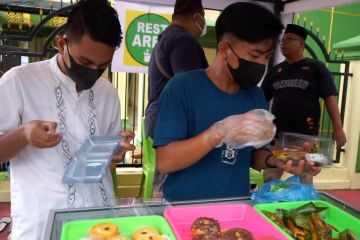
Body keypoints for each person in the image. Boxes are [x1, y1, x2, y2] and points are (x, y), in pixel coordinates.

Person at [153, 2, 320, 201]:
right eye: (254, 55)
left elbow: (254, 154)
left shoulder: (255, 96)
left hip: (236, 209)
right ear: (224, 49)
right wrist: (219, 132)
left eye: (266, 57)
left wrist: (278, 160)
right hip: (184, 209)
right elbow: (165, 161)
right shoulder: (182, 88)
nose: (261, 64)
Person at [0, 1, 135, 239]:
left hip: (99, 224)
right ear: (61, 44)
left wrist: (114, 154)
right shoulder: (19, 82)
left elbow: (107, 164)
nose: (93, 72)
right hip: (40, 225)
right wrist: (23, 134)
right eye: (85, 63)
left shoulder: (108, 92)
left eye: (102, 65)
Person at [261, 24, 346, 183]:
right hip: (278, 136)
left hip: (305, 137)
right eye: (282, 41)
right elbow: (263, 99)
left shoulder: (316, 67)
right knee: (270, 175)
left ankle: (303, 203)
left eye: (289, 40)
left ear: (301, 44)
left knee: (305, 174)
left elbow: (329, 98)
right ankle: (269, 204)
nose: (283, 44)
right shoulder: (276, 70)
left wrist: (338, 128)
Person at [145, 0, 209, 197]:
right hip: (174, 126)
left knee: (164, 180)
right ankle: (163, 222)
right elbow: (189, 88)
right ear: (198, 16)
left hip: (162, 120)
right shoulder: (183, 41)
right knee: (169, 186)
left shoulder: (167, 37)